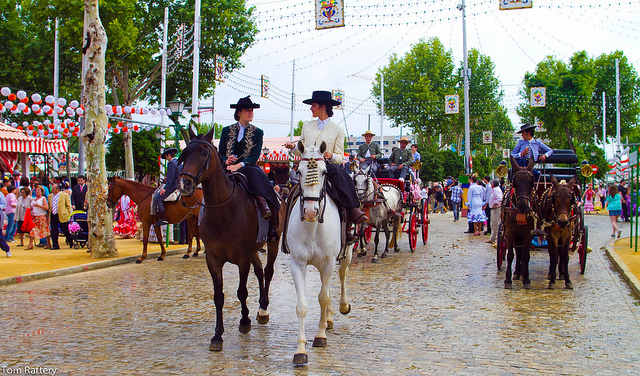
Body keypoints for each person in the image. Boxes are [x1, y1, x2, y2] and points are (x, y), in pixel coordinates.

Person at [284, 90, 368, 235]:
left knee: (342, 177)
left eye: (313, 105)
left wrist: (331, 155)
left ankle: (351, 214)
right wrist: (293, 148)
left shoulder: (338, 130)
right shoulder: (306, 126)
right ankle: (286, 225)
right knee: (293, 192)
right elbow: (302, 151)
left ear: (323, 107)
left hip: (327, 167)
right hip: (308, 167)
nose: (311, 108)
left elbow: (340, 156)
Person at [218, 96, 281, 241]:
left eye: (252, 110)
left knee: (262, 183)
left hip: (247, 167)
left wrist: (239, 165)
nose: (251, 113)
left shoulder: (258, 132)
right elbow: (220, 152)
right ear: (239, 112)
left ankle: (269, 217)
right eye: (248, 110)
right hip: (227, 168)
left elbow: (254, 155)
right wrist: (226, 160)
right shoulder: (226, 130)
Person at [153, 147, 182, 226]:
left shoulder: (171, 163)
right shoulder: (179, 161)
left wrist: (165, 189)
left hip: (173, 186)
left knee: (157, 197)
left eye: (166, 157)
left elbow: (170, 180)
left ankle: (163, 219)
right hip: (180, 185)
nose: (166, 159)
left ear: (168, 155)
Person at [48, 183, 73, 250]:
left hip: (62, 215)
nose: (52, 190)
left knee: (64, 229)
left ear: (58, 189)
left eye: (53, 188)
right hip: (53, 215)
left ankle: (70, 240)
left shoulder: (64, 195)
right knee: (54, 230)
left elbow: (68, 206)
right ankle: (55, 245)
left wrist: (67, 214)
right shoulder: (50, 196)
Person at [28, 185, 49, 250]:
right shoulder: (34, 199)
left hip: (42, 216)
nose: (37, 191)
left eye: (38, 190)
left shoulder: (43, 198)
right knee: (32, 230)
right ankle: (30, 244)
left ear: (41, 191)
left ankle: (49, 243)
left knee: (45, 231)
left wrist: (38, 205)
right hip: (34, 216)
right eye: (36, 190)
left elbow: (46, 208)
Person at [486, 180, 503, 244]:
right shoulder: (495, 190)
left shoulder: (497, 190)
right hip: (493, 209)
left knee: (496, 224)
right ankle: (492, 238)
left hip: (496, 209)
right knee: (493, 224)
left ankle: (496, 239)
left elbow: (500, 198)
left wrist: (495, 204)